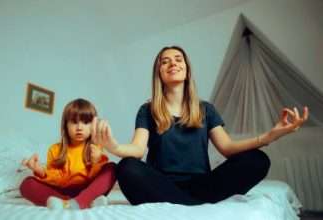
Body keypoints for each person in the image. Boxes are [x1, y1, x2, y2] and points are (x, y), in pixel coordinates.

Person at [91, 46, 309, 205]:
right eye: (165, 61)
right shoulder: (147, 110)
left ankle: (183, 202)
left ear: (187, 69)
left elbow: (228, 148)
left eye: (178, 59)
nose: (173, 63)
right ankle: (191, 204)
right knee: (127, 167)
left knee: (257, 159)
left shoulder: (206, 109)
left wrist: (269, 136)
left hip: (203, 185)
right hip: (160, 185)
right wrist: (113, 146)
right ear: (159, 72)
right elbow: (137, 150)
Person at [19, 98, 116, 209]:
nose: (79, 127)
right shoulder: (55, 149)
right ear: (66, 125)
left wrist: (96, 161)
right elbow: (58, 179)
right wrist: (41, 171)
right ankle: (71, 202)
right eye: (74, 122)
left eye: (85, 122)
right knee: (26, 184)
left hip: (88, 190)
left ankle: (82, 200)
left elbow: (95, 178)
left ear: (92, 126)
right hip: (62, 191)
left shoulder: (96, 147)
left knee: (111, 168)